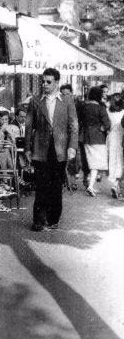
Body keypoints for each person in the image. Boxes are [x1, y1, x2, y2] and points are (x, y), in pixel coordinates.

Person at [25, 68, 78, 231]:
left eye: (48, 82)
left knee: (55, 186)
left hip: (60, 149)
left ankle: (53, 218)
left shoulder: (67, 100)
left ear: (56, 82)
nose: (45, 84)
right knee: (41, 185)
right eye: (43, 81)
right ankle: (38, 220)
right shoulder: (35, 101)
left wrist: (72, 146)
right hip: (41, 149)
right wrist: (27, 148)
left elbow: (74, 125)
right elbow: (29, 126)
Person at [81, 86, 111, 197]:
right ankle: (90, 186)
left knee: (91, 162)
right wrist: (102, 128)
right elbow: (107, 124)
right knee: (96, 164)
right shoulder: (101, 108)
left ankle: (90, 184)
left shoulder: (84, 107)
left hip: (86, 136)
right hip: (98, 138)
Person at [106, 94, 124, 199]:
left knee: (112, 159)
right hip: (121, 137)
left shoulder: (108, 111)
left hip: (111, 137)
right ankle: (116, 184)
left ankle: (114, 183)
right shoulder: (123, 112)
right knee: (120, 160)